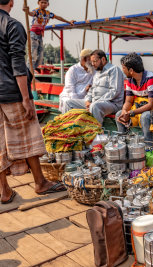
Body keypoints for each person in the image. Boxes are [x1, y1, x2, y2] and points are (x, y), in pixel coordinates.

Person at [0, 0, 65, 204]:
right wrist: (27, 99)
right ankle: (40, 182)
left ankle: (4, 191)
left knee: (0, 141)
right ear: (11, 2)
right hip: (12, 92)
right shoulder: (12, 26)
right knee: (29, 134)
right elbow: (17, 62)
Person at [116, 53, 153, 144]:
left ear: (131, 70)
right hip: (144, 106)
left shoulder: (151, 78)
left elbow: (151, 105)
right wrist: (124, 111)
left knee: (145, 116)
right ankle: (122, 143)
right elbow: (128, 101)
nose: (123, 70)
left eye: (123, 68)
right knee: (119, 114)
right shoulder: (130, 80)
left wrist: (131, 112)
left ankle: (149, 146)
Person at [65, 50, 124, 125]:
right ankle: (70, 129)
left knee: (94, 106)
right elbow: (92, 89)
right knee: (69, 103)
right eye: (92, 61)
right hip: (95, 102)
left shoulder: (114, 70)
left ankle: (96, 133)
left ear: (103, 59)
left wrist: (95, 102)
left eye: (95, 61)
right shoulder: (97, 72)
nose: (92, 64)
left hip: (112, 104)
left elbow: (114, 91)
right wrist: (87, 100)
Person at [23, 0, 74, 70]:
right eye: (42, 2)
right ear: (38, 3)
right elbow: (31, 13)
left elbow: (58, 17)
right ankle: (28, 71)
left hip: (40, 35)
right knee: (33, 56)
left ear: (48, 4)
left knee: (40, 58)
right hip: (33, 34)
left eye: (45, 3)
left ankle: (30, 71)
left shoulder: (48, 13)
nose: (43, 4)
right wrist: (27, 11)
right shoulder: (37, 11)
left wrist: (68, 22)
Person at [59, 49, 94, 113]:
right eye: (90, 60)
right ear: (84, 59)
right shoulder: (73, 70)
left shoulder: (92, 70)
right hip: (71, 96)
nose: (92, 62)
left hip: (86, 97)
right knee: (68, 103)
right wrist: (75, 101)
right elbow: (70, 89)